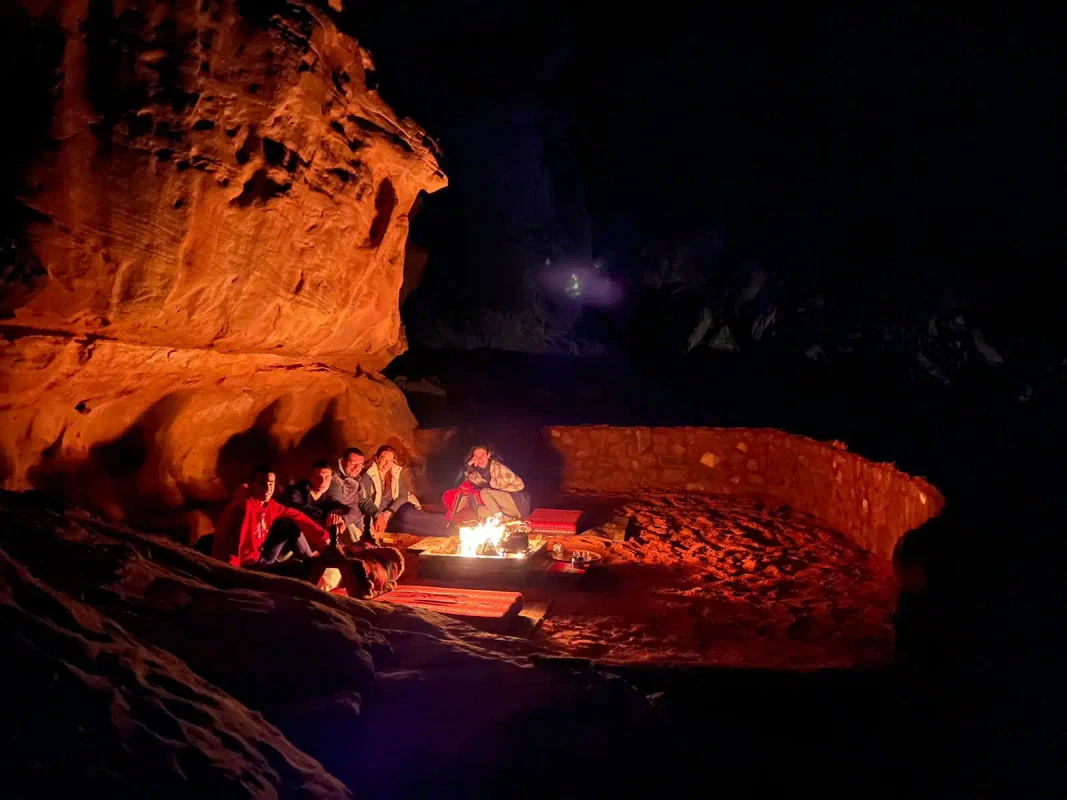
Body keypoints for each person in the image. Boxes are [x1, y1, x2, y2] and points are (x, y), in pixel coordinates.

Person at [212, 466, 333, 570]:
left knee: (288, 525)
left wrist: (323, 538)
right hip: (247, 566)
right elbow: (231, 544)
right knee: (295, 570)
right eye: (262, 483)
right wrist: (232, 573)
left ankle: (313, 563)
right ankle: (312, 567)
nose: (267, 488)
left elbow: (295, 515)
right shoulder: (243, 507)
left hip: (261, 557)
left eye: (271, 484)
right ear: (252, 484)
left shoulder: (270, 505)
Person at [360, 445, 448, 537]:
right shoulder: (368, 476)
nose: (387, 464)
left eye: (390, 460)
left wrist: (389, 511)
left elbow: (403, 495)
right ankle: (444, 533)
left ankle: (445, 524)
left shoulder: (394, 472)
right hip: (380, 515)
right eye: (384, 459)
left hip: (395, 509)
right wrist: (378, 515)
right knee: (404, 526)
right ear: (377, 458)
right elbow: (363, 500)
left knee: (407, 515)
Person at [450, 445, 531, 521]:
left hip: (516, 505)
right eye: (477, 457)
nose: (480, 459)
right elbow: (465, 483)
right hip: (503, 509)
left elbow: (520, 485)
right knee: (480, 510)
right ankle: (507, 519)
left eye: (483, 455)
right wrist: (468, 465)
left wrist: (502, 490)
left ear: (488, 455)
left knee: (485, 492)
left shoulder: (499, 468)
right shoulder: (475, 475)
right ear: (473, 458)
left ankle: (499, 520)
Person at [328, 447, 379, 546]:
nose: (357, 468)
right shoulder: (334, 479)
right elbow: (339, 509)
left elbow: (364, 499)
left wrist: (377, 514)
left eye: (360, 465)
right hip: (343, 523)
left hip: (355, 519)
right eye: (353, 463)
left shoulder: (356, 478)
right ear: (342, 460)